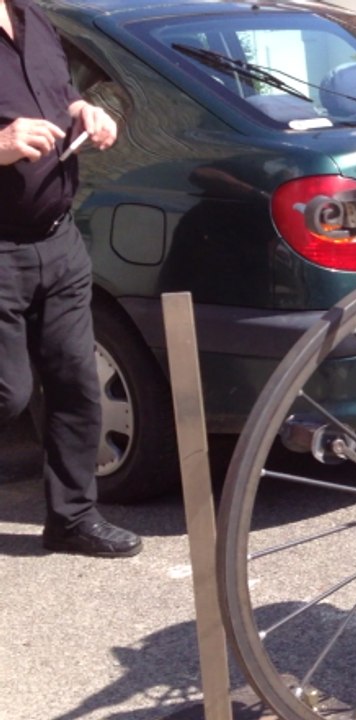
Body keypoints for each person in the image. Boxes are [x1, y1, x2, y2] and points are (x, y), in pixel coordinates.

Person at [1, 0, 139, 555]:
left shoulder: (34, 18)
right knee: (7, 394)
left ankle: (72, 520)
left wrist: (84, 111)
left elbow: (61, 93)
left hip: (58, 240)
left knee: (77, 385)